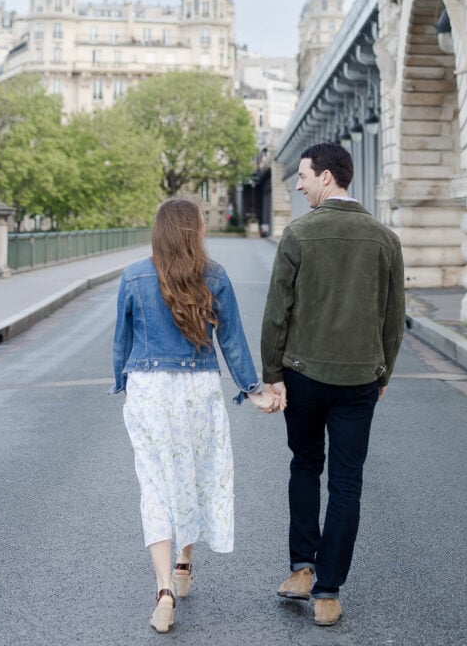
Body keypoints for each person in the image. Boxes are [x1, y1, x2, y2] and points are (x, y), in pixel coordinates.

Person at [111, 196, 274, 634]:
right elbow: (232, 340)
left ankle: (164, 589)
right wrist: (253, 391)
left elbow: (121, 342)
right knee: (195, 472)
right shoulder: (214, 275)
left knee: (156, 483)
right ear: (195, 230)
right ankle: (184, 564)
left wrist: (122, 382)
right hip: (197, 390)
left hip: (149, 391)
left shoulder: (133, 275)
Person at [261, 142, 405, 627]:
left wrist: (273, 374)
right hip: (360, 378)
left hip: (303, 375)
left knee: (305, 466)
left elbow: (277, 313)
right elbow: (393, 316)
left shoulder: (299, 235)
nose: (297, 185)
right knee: (347, 485)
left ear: (327, 177)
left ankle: (301, 567)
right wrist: (382, 370)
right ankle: (327, 591)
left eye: (302, 176)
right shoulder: (384, 238)